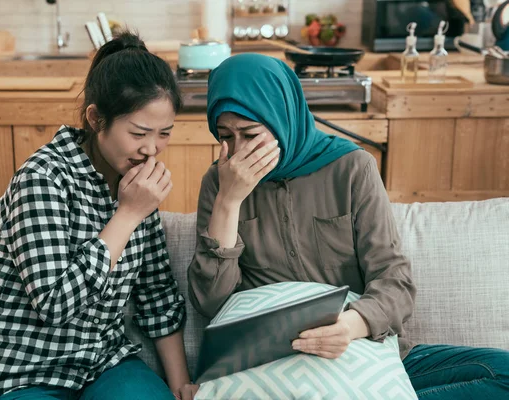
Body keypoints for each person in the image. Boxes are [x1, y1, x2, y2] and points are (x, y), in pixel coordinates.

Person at [188, 53, 509, 399]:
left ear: (282, 118)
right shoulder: (220, 182)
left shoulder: (352, 169)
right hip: (269, 367)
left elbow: (394, 282)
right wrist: (229, 202)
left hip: (359, 350)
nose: (238, 152)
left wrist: (350, 326)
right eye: (225, 137)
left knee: (502, 373)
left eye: (250, 135)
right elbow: (211, 302)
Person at [0, 31, 197, 400]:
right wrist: (128, 214)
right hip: (20, 375)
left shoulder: (136, 181)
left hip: (101, 365)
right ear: (95, 118)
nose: (152, 149)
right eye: (138, 133)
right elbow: (56, 304)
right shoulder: (42, 180)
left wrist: (181, 384)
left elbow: (157, 294)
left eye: (164, 133)